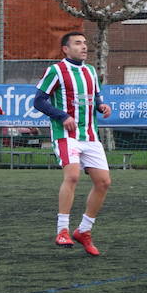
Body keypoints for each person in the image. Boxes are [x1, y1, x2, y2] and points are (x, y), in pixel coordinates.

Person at [33, 32, 113, 256]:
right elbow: (38, 100)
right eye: (78, 43)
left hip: (90, 135)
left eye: (85, 43)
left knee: (104, 182)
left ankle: (84, 231)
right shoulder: (56, 70)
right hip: (66, 134)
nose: (84, 46)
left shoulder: (90, 71)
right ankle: (62, 230)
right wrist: (62, 116)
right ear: (65, 49)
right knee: (73, 176)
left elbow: (96, 98)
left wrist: (101, 107)